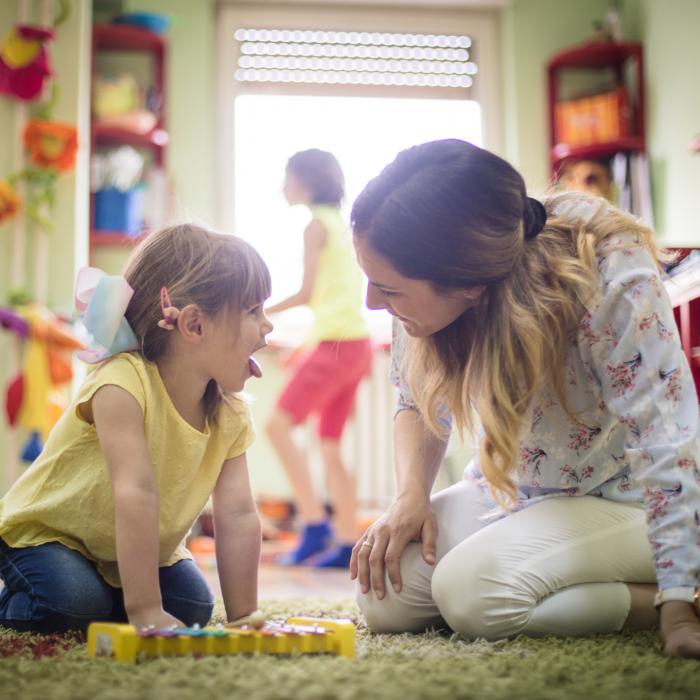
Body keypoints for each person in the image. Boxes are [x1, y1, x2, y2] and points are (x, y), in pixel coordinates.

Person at [349, 139, 700, 659]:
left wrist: (676, 602)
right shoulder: (425, 270)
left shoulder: (606, 267)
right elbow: (416, 399)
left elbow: (666, 437)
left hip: (629, 503)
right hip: (520, 492)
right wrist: (410, 497)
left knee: (473, 596)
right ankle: (541, 584)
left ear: (469, 286)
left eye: (390, 290)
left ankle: (676, 596)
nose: (371, 302)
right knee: (384, 594)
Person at [0, 224, 273, 633]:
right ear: (194, 326)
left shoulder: (230, 411)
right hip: (47, 535)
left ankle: (112, 598)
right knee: (74, 605)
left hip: (120, 549)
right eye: (254, 311)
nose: (267, 326)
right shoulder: (122, 384)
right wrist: (144, 608)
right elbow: (135, 492)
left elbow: (236, 512)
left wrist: (243, 618)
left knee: (192, 607)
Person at [266, 149, 372, 568]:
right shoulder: (340, 226)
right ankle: (347, 541)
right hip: (354, 346)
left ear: (305, 181)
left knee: (275, 425)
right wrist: (305, 345)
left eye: (287, 177)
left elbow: (308, 293)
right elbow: (334, 299)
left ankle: (313, 526)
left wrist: (253, 310)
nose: (282, 187)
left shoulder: (314, 227)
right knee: (330, 446)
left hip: (336, 346)